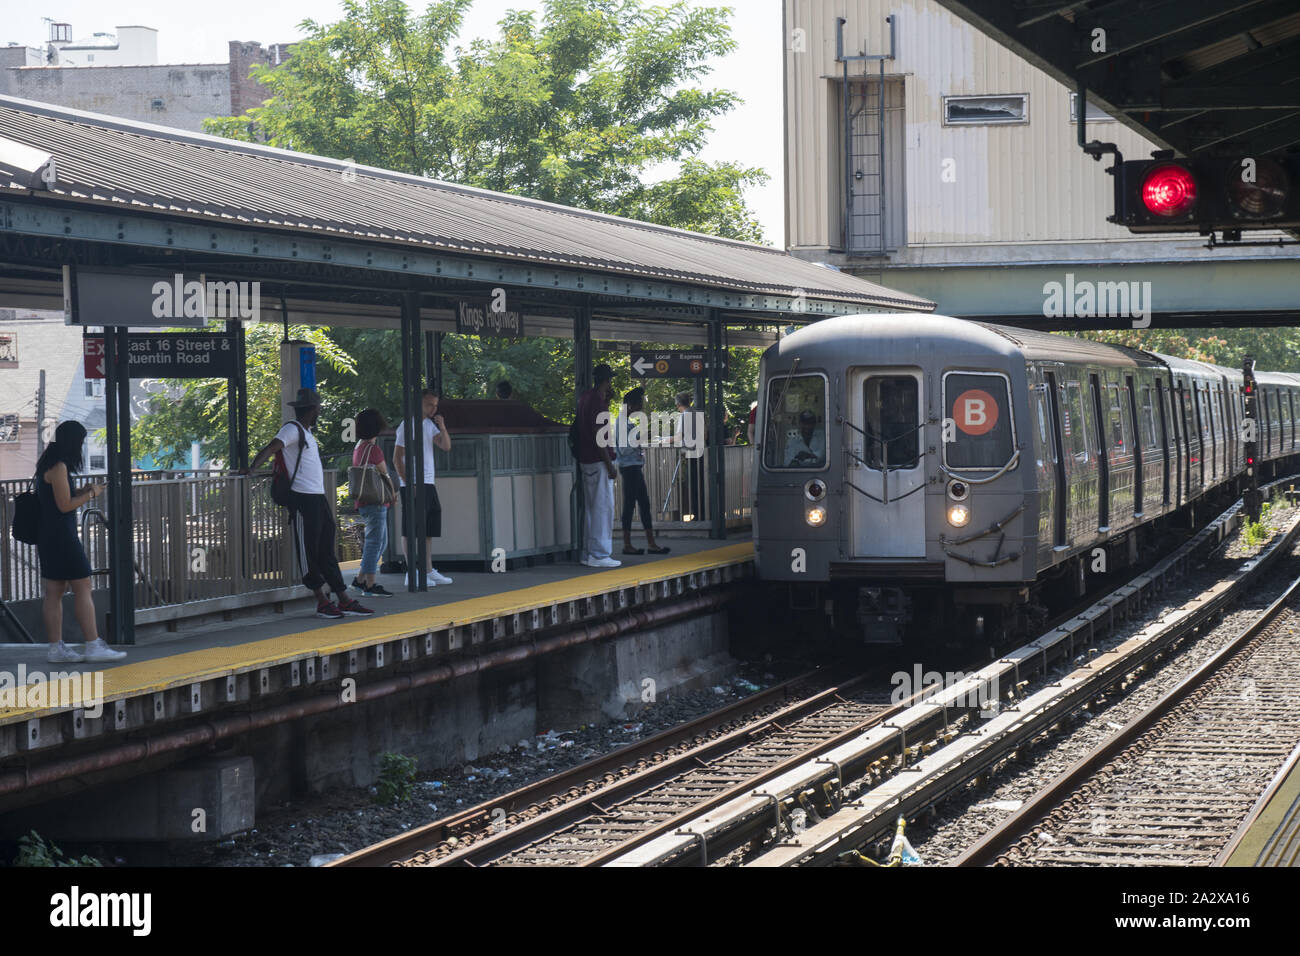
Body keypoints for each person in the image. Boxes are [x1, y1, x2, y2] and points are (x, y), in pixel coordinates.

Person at [246, 388, 374, 620]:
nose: (319, 411)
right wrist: (252, 467)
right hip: (302, 499)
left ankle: (343, 598)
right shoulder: (291, 429)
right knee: (309, 551)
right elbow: (272, 447)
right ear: (312, 410)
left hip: (318, 498)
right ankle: (321, 601)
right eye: (318, 408)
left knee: (325, 549)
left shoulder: (306, 432)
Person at [37, 421, 125, 664]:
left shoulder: (47, 464)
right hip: (62, 538)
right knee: (83, 585)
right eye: (81, 441)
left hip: (49, 536)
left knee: (54, 591)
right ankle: (93, 644)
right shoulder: (59, 467)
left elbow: (59, 499)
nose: (82, 446)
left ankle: (56, 649)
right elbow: (64, 506)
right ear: (72, 442)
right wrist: (91, 494)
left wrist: (80, 491)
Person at [393, 387, 453, 586]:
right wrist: (408, 482)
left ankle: (427, 569)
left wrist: (442, 426)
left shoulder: (429, 425)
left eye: (435, 405)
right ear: (418, 404)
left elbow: (445, 446)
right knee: (411, 527)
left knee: (427, 527)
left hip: (428, 481)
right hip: (412, 482)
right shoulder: (407, 426)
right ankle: (412, 572)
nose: (432, 408)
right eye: (429, 404)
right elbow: (396, 458)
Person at [615, 388, 670, 557]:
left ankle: (648, 543)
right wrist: (641, 438)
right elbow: (624, 449)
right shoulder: (623, 423)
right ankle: (630, 544)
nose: (641, 408)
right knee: (632, 505)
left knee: (642, 504)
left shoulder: (626, 422)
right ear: (630, 405)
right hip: (630, 468)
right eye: (639, 404)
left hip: (633, 467)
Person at [576, 364, 620, 568]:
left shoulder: (586, 398)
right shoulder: (597, 403)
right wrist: (609, 464)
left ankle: (588, 553)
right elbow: (599, 435)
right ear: (607, 381)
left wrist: (607, 401)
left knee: (591, 508)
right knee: (603, 508)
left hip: (586, 460)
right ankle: (600, 555)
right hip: (599, 460)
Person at [350, 408, 395, 598]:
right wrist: (393, 493)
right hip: (376, 502)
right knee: (375, 543)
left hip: (363, 500)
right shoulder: (374, 450)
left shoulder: (359, 448)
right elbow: (384, 473)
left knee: (379, 542)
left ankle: (360, 579)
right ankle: (370, 583)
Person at [674, 391, 704, 521]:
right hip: (701, 452)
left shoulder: (684, 416)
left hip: (689, 454)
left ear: (678, 404)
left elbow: (679, 436)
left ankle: (696, 514)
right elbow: (705, 434)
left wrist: (664, 439)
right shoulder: (697, 414)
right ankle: (701, 513)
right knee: (700, 484)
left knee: (692, 484)